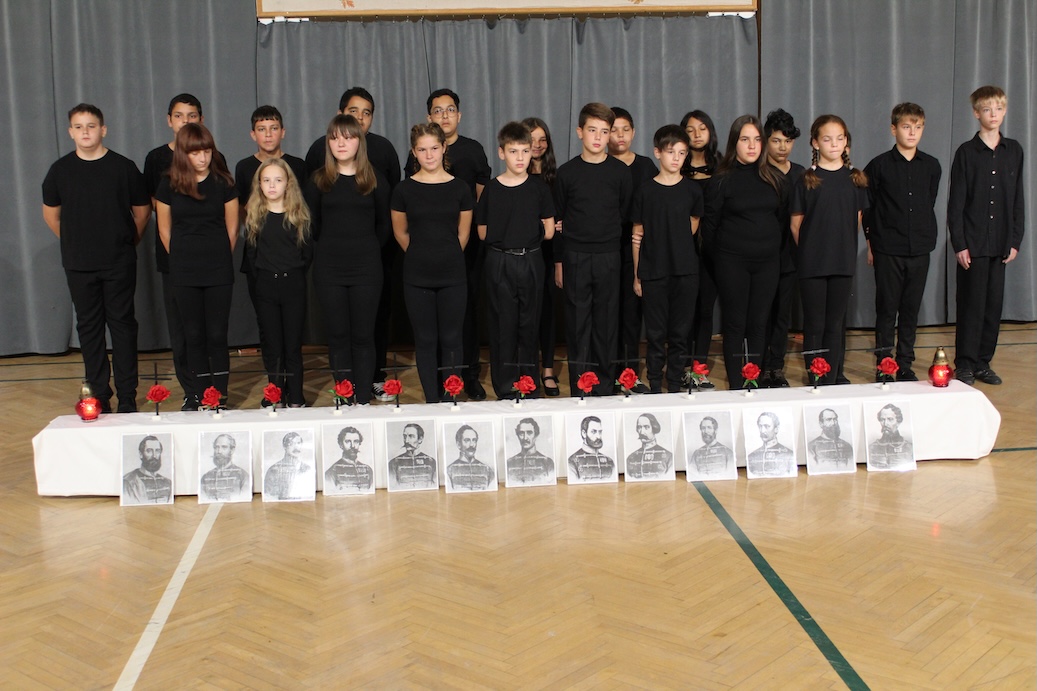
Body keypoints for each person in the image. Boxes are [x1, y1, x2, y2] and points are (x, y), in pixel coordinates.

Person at [42, 103, 150, 414]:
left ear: (103, 129)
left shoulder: (123, 167)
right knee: (89, 328)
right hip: (79, 264)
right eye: (79, 127)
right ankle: (100, 394)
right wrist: (75, 242)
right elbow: (51, 215)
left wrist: (126, 241)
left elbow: (142, 212)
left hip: (118, 261)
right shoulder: (60, 170)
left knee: (123, 326)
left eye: (91, 126)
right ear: (70, 132)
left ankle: (127, 395)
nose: (85, 132)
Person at [303, 87, 402, 402]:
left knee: (363, 335)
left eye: (347, 137)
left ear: (359, 140)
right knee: (338, 335)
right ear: (329, 143)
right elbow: (313, 225)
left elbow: (385, 225)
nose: (341, 143)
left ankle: (362, 397)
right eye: (335, 138)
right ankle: (344, 394)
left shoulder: (375, 180)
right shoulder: (318, 181)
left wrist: (367, 249)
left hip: (366, 269)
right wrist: (333, 249)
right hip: (330, 269)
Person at [405, 89, 492, 400]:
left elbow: (478, 204)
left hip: (461, 253)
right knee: (429, 334)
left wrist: (453, 249)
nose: (445, 115)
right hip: (423, 259)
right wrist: (423, 251)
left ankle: (466, 380)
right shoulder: (408, 182)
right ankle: (434, 395)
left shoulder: (472, 154)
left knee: (463, 322)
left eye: (450, 109)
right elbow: (403, 229)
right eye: (438, 110)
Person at [143, 94, 227, 408]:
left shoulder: (216, 162)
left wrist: (216, 253)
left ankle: (216, 394)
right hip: (176, 261)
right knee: (183, 331)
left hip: (213, 260)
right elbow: (155, 210)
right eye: (179, 116)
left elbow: (229, 221)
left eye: (192, 116)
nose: (185, 121)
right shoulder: (156, 159)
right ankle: (192, 390)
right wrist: (179, 256)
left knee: (213, 332)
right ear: (170, 120)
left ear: (201, 120)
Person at [700, 115, 787, 389]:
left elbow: (780, 222)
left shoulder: (774, 179)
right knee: (735, 324)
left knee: (759, 324)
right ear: (734, 143)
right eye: (745, 139)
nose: (752, 146)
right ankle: (736, 386)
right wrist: (724, 259)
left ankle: (754, 383)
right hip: (732, 263)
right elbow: (709, 228)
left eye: (757, 139)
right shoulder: (721, 180)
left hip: (767, 263)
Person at [391, 123, 473, 403]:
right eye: (422, 149)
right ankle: (432, 402)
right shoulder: (403, 190)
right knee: (425, 340)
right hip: (417, 276)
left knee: (452, 338)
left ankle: (451, 399)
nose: (429, 155)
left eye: (434, 148)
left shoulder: (460, 188)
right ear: (414, 152)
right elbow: (400, 233)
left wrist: (445, 255)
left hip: (453, 275)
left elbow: (463, 234)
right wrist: (421, 254)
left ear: (443, 148)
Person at [947, 86, 1025, 386]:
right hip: (974, 243)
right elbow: (956, 203)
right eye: (987, 109)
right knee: (971, 305)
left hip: (1001, 242)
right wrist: (960, 243)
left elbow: (1017, 198)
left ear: (1004, 111)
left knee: (993, 307)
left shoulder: (1013, 150)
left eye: (998, 108)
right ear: (976, 113)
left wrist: (1015, 240)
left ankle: (983, 362)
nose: (993, 114)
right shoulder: (966, 153)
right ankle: (965, 364)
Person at [554, 103, 633, 396]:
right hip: (575, 255)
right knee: (578, 323)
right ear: (580, 132)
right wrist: (559, 262)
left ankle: (604, 386)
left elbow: (625, 214)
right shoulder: (566, 173)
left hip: (609, 255)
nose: (598, 137)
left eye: (604, 131)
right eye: (592, 130)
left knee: (607, 322)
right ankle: (581, 386)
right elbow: (558, 220)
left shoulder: (621, 172)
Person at [863, 103, 942, 382]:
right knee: (887, 308)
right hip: (888, 248)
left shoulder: (931, 166)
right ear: (893, 129)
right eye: (906, 127)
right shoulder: (878, 166)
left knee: (910, 309)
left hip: (919, 247)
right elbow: (869, 208)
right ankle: (885, 365)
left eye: (917, 127)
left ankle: (905, 363)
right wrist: (871, 244)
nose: (912, 132)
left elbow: (928, 201)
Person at [476, 122, 555, 399]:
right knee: (503, 325)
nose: (520, 157)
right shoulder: (492, 189)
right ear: (501, 153)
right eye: (513, 151)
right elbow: (482, 232)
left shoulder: (539, 188)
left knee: (529, 324)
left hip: (531, 260)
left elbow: (549, 231)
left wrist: (524, 235)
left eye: (525, 151)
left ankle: (528, 384)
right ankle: (506, 385)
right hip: (500, 262)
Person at [791, 115, 869, 384]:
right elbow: (796, 225)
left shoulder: (855, 179)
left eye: (839, 138)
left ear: (846, 142)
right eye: (827, 139)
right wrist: (813, 251)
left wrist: (840, 248)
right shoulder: (807, 180)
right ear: (815, 142)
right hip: (813, 264)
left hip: (842, 262)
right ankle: (817, 375)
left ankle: (834, 375)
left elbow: (856, 221)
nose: (834, 144)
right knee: (815, 323)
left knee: (835, 323)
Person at [234, 106, 308, 379]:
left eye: (273, 128)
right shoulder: (244, 167)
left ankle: (294, 388)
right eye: (262, 129)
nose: (268, 134)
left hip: (290, 261)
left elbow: (302, 214)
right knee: (268, 328)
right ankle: (274, 384)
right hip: (261, 258)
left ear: (283, 132)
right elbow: (242, 209)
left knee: (292, 332)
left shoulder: (298, 166)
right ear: (253, 134)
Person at [630, 125, 703, 393]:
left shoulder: (692, 190)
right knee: (655, 334)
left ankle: (674, 383)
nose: (676, 158)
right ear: (658, 152)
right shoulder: (645, 191)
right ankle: (654, 384)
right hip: (653, 271)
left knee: (680, 333)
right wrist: (637, 274)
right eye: (671, 152)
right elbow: (637, 235)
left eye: (682, 153)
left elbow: (692, 226)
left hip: (685, 271)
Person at [243, 157, 313, 407]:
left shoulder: (298, 217)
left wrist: (291, 273)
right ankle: (275, 394)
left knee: (292, 345)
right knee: (273, 345)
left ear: (288, 184)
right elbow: (251, 255)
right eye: (266, 180)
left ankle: (296, 396)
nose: (272, 185)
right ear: (259, 184)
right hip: (266, 286)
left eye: (278, 180)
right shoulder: (255, 216)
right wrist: (265, 276)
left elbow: (306, 254)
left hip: (293, 285)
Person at [610, 107, 659, 386]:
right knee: (607, 315)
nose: (620, 135)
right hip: (606, 249)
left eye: (625, 129)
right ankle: (607, 373)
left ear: (634, 132)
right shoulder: (600, 166)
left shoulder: (646, 167)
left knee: (631, 315)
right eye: (614, 130)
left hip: (637, 250)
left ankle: (630, 373)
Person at [760, 109, 804, 388]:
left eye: (787, 141)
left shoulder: (801, 174)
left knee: (782, 315)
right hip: (762, 255)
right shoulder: (759, 172)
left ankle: (776, 367)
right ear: (766, 141)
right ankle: (758, 367)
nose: (782, 147)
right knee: (761, 313)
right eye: (776, 141)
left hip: (789, 256)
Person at [523, 117, 562, 397]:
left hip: (550, 254)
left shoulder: (557, 179)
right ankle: (525, 371)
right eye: (531, 139)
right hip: (523, 254)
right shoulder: (514, 178)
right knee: (525, 314)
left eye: (542, 140)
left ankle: (547, 369)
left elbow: (562, 218)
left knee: (548, 313)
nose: (537, 145)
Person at [680, 110, 719, 390]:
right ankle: (682, 367)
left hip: (713, 249)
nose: (696, 134)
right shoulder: (676, 167)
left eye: (702, 128)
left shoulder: (721, 168)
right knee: (684, 310)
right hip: (682, 248)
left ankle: (699, 369)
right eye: (690, 129)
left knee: (705, 309)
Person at [200, 433, 251, 502]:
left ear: (232, 450)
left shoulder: (243, 476)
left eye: (224, 447)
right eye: (216, 447)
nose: (219, 451)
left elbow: (244, 499)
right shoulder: (206, 478)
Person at [263, 431, 313, 500]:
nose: (296, 447)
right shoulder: (274, 470)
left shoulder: (307, 469)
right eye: (291, 444)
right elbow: (269, 497)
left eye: (298, 443)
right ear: (284, 446)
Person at [123, 435, 172, 504]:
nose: (154, 455)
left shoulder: (168, 483)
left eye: (157, 451)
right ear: (141, 454)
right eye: (149, 451)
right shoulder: (128, 481)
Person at [324, 426, 374, 493]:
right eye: (348, 441)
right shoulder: (332, 472)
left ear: (359, 443)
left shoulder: (368, 470)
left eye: (356, 441)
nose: (352, 446)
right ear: (341, 444)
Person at [387, 423, 437, 490]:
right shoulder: (393, 463)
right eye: (405, 436)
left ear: (420, 439)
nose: (406, 441)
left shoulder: (431, 462)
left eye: (411, 436)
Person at [506, 418, 555, 485]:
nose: (525, 438)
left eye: (529, 433)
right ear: (517, 435)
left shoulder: (547, 463)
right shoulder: (510, 463)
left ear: (536, 435)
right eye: (521, 433)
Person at [446, 425, 495, 491]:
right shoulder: (449, 471)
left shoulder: (487, 470)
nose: (472, 444)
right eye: (467, 440)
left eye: (474, 440)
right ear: (458, 444)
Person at [567, 415, 615, 481]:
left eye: (600, 432)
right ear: (584, 433)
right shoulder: (572, 461)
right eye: (593, 432)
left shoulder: (609, 461)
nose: (598, 436)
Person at [625, 413, 673, 479]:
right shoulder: (631, 458)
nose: (641, 432)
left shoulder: (668, 457)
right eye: (639, 427)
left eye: (646, 427)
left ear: (654, 428)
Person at [747, 412, 794, 476]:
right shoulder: (751, 457)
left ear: (776, 429)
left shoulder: (789, 455)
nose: (762, 431)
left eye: (766, 426)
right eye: (760, 426)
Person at [869, 403, 914, 467]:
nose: (885, 424)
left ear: (898, 422)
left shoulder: (909, 448)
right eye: (882, 420)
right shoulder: (872, 448)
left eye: (890, 419)